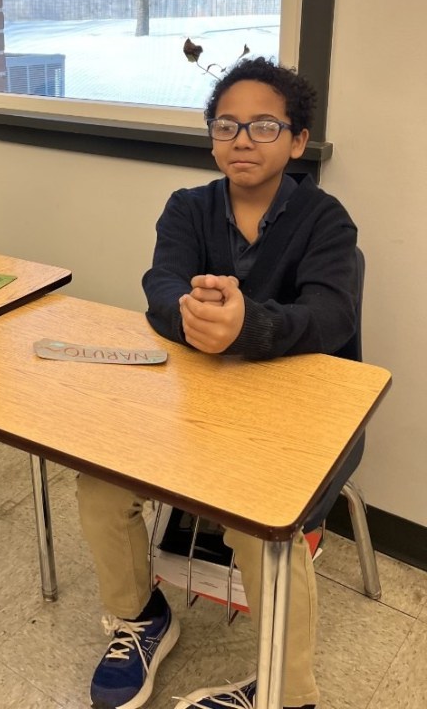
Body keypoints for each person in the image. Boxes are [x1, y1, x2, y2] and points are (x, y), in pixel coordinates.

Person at [78, 57, 358, 709]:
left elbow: (333, 315)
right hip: (192, 403)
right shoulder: (188, 208)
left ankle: (289, 694)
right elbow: (161, 283)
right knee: (99, 479)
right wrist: (187, 313)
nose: (242, 140)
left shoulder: (325, 219)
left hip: (291, 416)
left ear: (297, 140)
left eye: (264, 126)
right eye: (226, 125)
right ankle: (141, 616)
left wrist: (246, 325)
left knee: (263, 521)